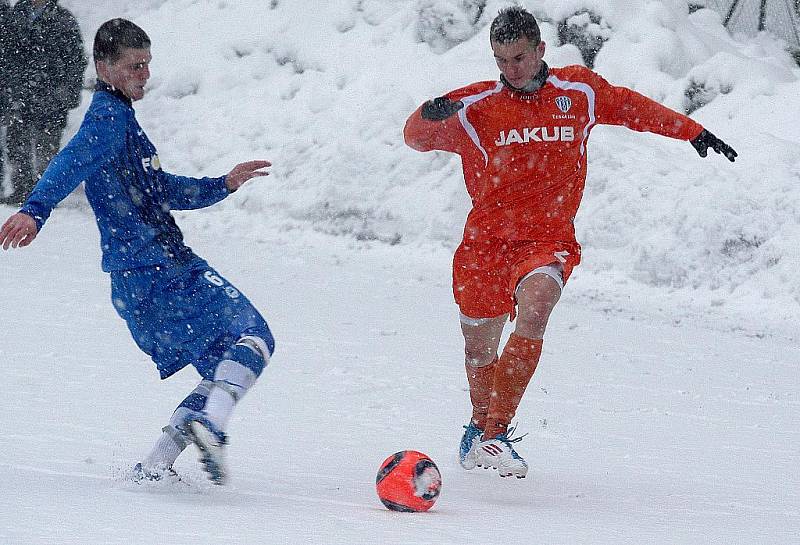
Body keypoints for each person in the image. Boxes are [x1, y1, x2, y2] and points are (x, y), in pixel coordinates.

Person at [404, 7, 737, 479]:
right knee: (479, 350)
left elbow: (629, 106)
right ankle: (479, 430)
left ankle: (497, 433)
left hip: (546, 240)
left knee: (537, 306)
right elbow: (415, 138)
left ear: (541, 50)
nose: (510, 70)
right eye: (500, 60)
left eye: (518, 58)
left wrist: (692, 130)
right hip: (484, 245)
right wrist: (425, 114)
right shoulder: (476, 104)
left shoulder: (577, 91)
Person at [0, 18, 275, 486]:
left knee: (222, 368)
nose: (144, 74)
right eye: (134, 66)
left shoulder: (121, 119)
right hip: (158, 269)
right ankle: (210, 426)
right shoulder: (107, 119)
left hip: (143, 277)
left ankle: (156, 463)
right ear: (104, 67)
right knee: (253, 338)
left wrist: (221, 184)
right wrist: (35, 210)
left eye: (147, 64)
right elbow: (71, 159)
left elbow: (158, 189)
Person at [3, 0, 86, 205]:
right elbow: (5, 56)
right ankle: (21, 188)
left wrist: (66, 94)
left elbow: (75, 60)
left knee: (46, 149)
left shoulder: (63, 20)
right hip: (20, 96)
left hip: (51, 99)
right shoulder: (15, 17)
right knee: (17, 144)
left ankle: (44, 192)